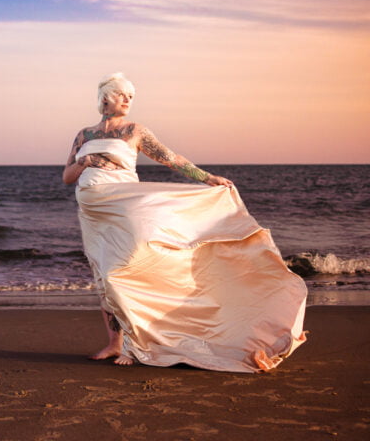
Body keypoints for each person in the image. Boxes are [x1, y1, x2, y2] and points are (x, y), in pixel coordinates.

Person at [63, 72, 307, 372]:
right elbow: (67, 177)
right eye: (123, 94)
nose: (129, 100)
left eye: (131, 96)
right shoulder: (83, 135)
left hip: (123, 206)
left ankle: (136, 343)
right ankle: (115, 343)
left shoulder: (134, 130)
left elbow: (171, 159)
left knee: (120, 273)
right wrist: (85, 162)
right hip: (92, 212)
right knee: (103, 278)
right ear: (106, 97)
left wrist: (207, 178)